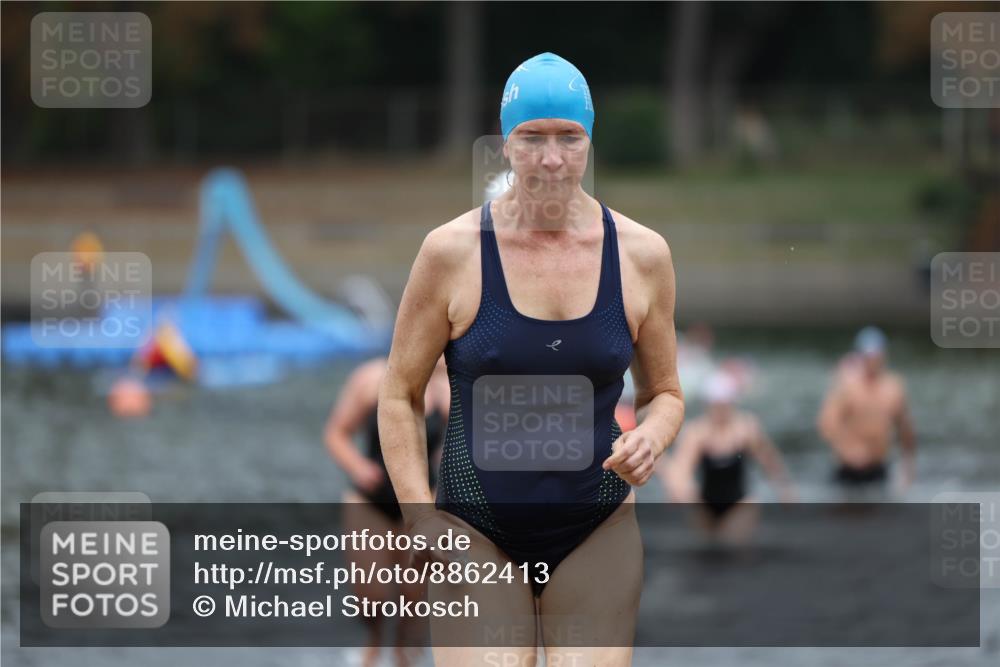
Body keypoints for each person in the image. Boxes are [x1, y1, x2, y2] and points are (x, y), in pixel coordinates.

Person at [378, 52, 684, 666]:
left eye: (569, 138)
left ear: (590, 140)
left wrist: (653, 435)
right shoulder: (451, 253)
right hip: (474, 527)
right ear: (503, 145)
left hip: (597, 524)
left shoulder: (642, 255)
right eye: (531, 138)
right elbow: (399, 396)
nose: (551, 158)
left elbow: (665, 393)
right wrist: (419, 516)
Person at [324, 355, 450, 667]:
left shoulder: (447, 388)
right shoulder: (370, 378)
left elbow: (468, 442)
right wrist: (357, 467)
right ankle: (375, 640)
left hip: (421, 497)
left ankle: (404, 649)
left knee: (415, 593)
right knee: (371, 595)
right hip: (371, 496)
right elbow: (336, 433)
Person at [662, 371, 794, 544]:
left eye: (724, 406)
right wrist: (681, 490)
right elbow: (682, 467)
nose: (720, 411)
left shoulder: (746, 428)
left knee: (732, 548)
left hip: (740, 503)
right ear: (708, 405)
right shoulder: (697, 432)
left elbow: (769, 461)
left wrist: (784, 489)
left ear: (732, 404)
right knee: (706, 554)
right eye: (716, 406)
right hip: (704, 504)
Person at [817, 326, 916, 492]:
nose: (872, 361)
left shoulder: (893, 387)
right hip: (848, 470)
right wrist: (847, 450)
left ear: (884, 355)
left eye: (876, 355)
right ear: (860, 357)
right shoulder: (847, 385)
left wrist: (908, 470)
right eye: (868, 356)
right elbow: (826, 424)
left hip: (878, 467)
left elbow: (906, 431)